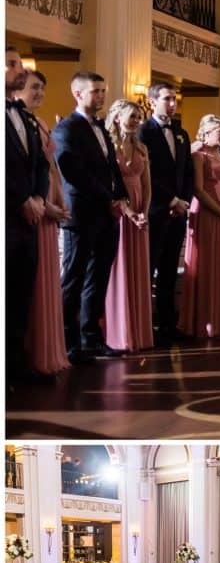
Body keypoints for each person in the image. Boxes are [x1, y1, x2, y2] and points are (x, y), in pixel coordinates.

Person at [52, 71, 130, 363]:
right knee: (73, 277)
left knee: (98, 277)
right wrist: (108, 198)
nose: (101, 96)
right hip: (82, 213)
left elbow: (111, 167)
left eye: (102, 90)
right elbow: (74, 173)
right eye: (95, 91)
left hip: (106, 214)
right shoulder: (66, 129)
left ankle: (91, 339)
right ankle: (68, 341)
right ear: (78, 94)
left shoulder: (101, 127)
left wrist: (120, 195)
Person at [16, 70, 70, 378]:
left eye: (42, 88)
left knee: (46, 278)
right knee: (31, 284)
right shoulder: (15, 123)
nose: (40, 93)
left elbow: (51, 168)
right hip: (32, 210)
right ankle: (27, 355)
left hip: (48, 206)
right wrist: (44, 205)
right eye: (34, 87)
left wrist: (61, 203)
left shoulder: (40, 124)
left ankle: (44, 352)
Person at [178, 114, 220, 338]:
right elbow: (198, 189)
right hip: (210, 216)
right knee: (212, 266)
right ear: (206, 132)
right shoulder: (199, 156)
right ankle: (210, 320)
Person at [6, 47, 50, 382]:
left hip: (27, 220)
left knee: (21, 294)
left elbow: (40, 163)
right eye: (10, 65)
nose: (20, 70)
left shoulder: (24, 117)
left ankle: (16, 367)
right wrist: (21, 198)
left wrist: (37, 196)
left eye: (19, 64)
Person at [140, 83, 192, 346]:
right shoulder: (143, 132)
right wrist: (170, 200)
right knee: (149, 270)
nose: (172, 103)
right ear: (151, 101)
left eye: (175, 99)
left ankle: (168, 326)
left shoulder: (181, 133)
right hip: (156, 211)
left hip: (178, 212)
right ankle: (146, 325)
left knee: (171, 271)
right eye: (167, 99)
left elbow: (187, 173)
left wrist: (183, 201)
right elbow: (146, 174)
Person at [103, 99, 153, 352]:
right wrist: (129, 211)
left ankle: (138, 331)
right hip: (116, 209)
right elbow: (109, 183)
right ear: (117, 117)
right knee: (117, 265)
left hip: (139, 213)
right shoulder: (108, 146)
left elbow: (146, 185)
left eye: (138, 116)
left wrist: (143, 213)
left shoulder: (142, 148)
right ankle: (116, 332)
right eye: (132, 116)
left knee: (136, 268)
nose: (136, 120)